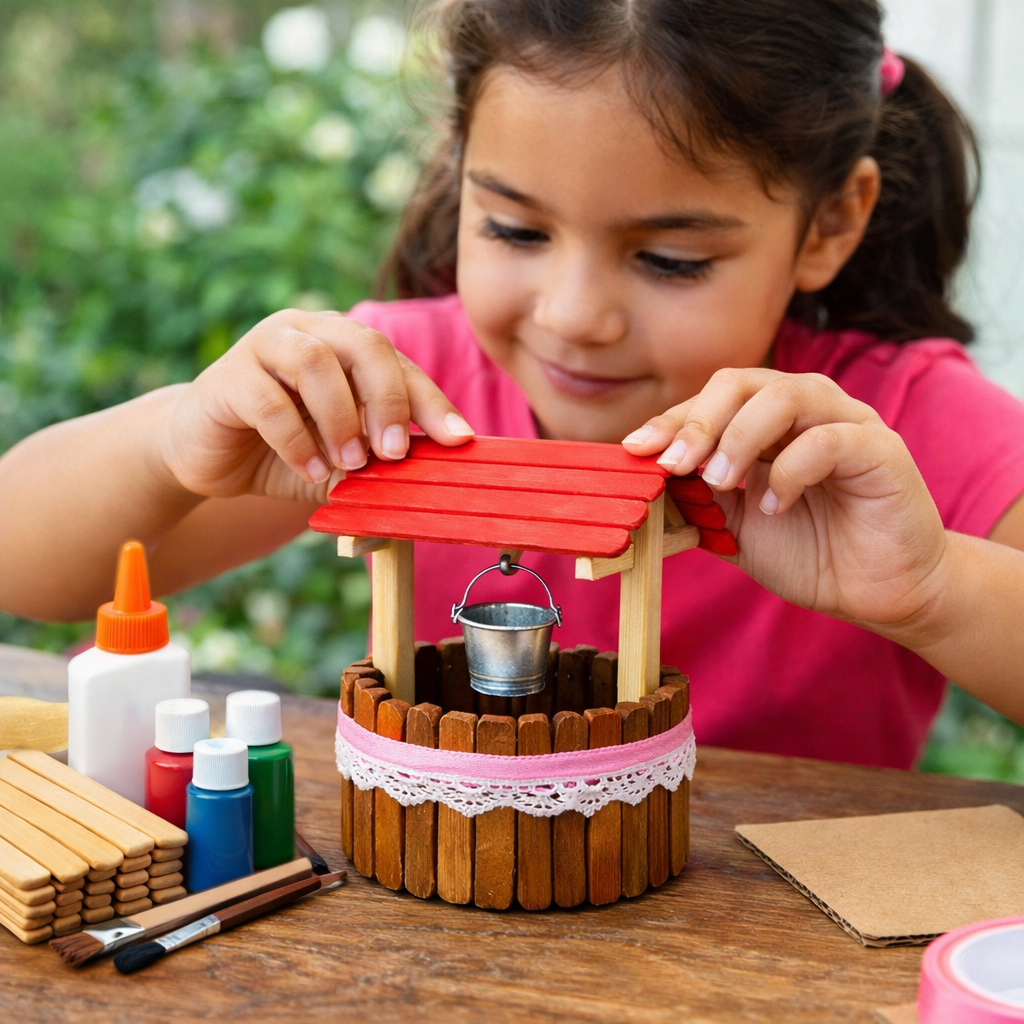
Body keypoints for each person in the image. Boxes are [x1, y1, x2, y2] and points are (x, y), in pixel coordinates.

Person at [1, 0, 1023, 767]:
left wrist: (932, 587)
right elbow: (24, 564)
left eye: (671, 259)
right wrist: (175, 438)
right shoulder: (398, 397)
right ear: (459, 165)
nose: (573, 313)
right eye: (515, 229)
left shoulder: (885, 436)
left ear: (831, 222)